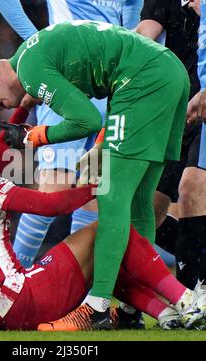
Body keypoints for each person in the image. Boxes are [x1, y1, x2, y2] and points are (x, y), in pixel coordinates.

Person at [0, 20, 190, 329]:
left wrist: (34, 137)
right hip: (170, 72)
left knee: (111, 199)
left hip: (140, 82)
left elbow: (86, 119)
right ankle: (132, 310)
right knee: (139, 204)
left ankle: (96, 309)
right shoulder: (32, 54)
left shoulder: (30, 68)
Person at [0, 119, 206, 331]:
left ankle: (164, 313)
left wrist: (21, 112)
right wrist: (95, 189)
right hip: (23, 300)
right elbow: (51, 205)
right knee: (107, 233)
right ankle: (185, 300)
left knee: (103, 260)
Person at [0, 0, 143, 271]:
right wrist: (36, 44)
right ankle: (12, 282)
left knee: (94, 194)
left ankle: (75, 302)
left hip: (111, 85)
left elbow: (133, 3)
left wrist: (129, 45)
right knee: (53, 190)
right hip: (68, 79)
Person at [136, 0, 205, 290]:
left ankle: (191, 298)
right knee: (147, 211)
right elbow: (144, 34)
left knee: (191, 191)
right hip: (177, 113)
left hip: (201, 105)